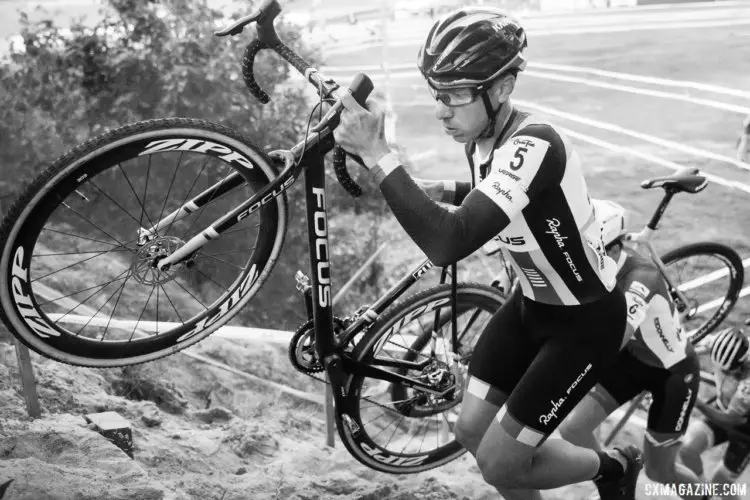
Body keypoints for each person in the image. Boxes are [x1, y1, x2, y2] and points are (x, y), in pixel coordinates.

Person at [333, 6, 642, 500]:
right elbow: (497, 193)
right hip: (530, 307)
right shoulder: (482, 136)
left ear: (501, 89)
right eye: (439, 95)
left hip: (584, 324)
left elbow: (450, 241)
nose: (441, 111)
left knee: (500, 465)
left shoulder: (534, 142)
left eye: (455, 97)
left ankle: (614, 467)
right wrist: (442, 188)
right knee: (471, 432)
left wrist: (377, 153)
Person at [557, 199, 703, 499]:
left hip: (673, 374)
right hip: (635, 359)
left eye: (589, 250)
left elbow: (614, 339)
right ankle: (614, 478)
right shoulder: (602, 264)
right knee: (573, 429)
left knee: (660, 471)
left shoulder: (641, 280)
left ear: (611, 249)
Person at [679, 328, 750, 500]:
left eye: (728, 372)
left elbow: (731, 420)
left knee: (720, 487)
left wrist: (698, 402)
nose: (724, 374)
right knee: (687, 450)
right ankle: (704, 495)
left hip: (744, 431)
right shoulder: (721, 343)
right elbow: (687, 348)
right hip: (721, 409)